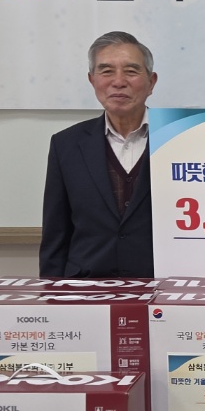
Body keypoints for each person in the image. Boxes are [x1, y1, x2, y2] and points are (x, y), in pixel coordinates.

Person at [40, 31, 157, 277]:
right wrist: (52, 291)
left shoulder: (179, 139)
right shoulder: (66, 145)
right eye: (106, 71)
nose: (118, 81)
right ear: (92, 80)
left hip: (160, 286)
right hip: (85, 287)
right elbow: (55, 234)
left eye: (131, 71)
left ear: (151, 82)